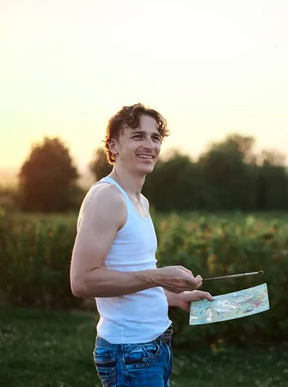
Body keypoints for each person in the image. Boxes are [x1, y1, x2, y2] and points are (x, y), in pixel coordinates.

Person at [70, 103, 213, 387]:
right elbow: (81, 281)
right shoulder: (107, 197)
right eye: (137, 136)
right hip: (129, 352)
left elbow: (131, 272)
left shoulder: (139, 200)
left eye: (155, 137)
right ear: (114, 145)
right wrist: (159, 277)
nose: (149, 145)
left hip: (154, 345)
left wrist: (173, 297)